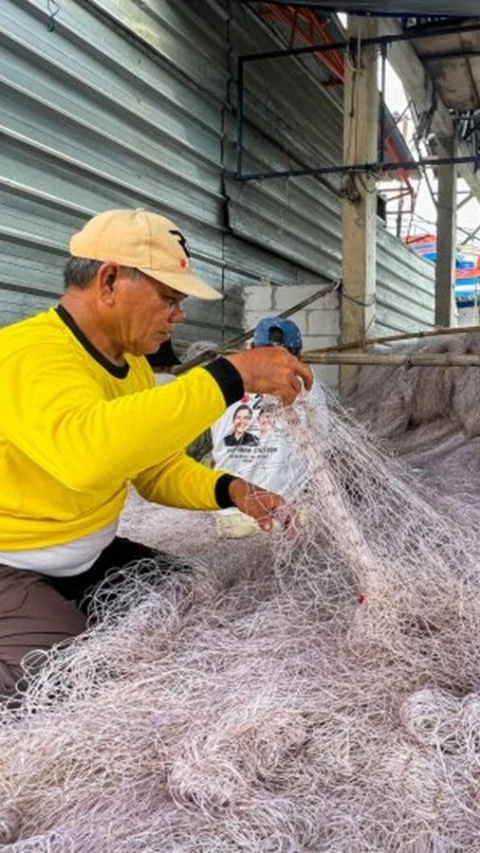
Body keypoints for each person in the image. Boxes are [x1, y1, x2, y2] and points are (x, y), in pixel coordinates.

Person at [0, 208, 313, 696]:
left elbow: (153, 468)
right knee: (58, 683)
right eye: (169, 298)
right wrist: (234, 375)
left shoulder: (134, 367)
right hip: (12, 565)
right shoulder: (29, 355)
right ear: (108, 281)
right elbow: (89, 454)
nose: (179, 314)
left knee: (184, 592)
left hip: (87, 558)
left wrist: (233, 490)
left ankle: (55, 613)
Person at [211, 317, 323, 538]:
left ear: (252, 350)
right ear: (297, 356)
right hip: (285, 515)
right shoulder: (308, 387)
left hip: (230, 515)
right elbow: (320, 443)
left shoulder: (224, 382)